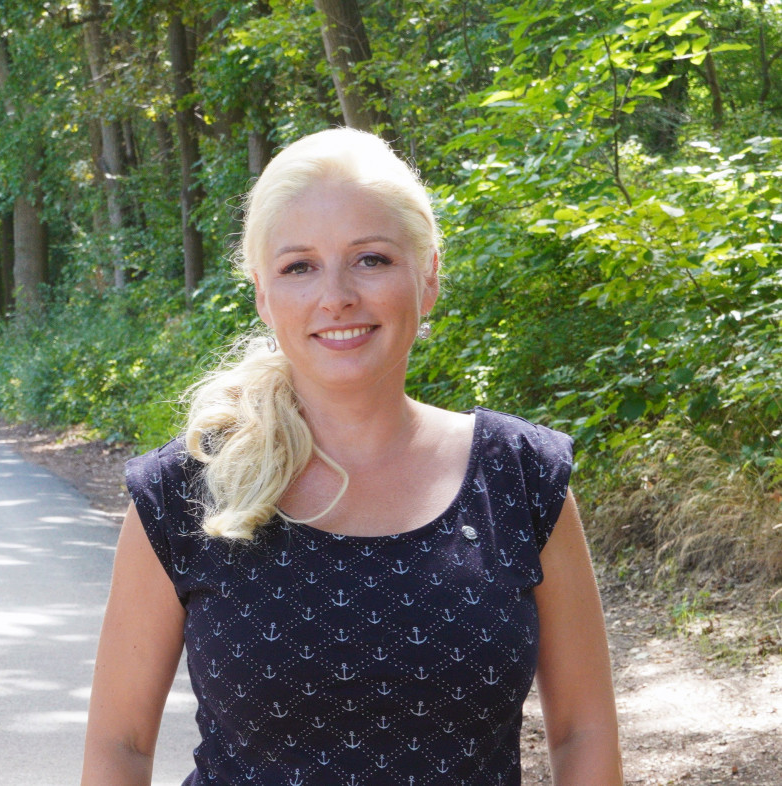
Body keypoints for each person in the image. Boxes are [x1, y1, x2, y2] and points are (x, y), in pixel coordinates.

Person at [81, 127, 622, 785]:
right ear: (263, 296)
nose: (335, 296)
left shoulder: (520, 477)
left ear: (427, 279)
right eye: (298, 266)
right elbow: (121, 745)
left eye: (370, 259)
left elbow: (582, 733)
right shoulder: (186, 491)